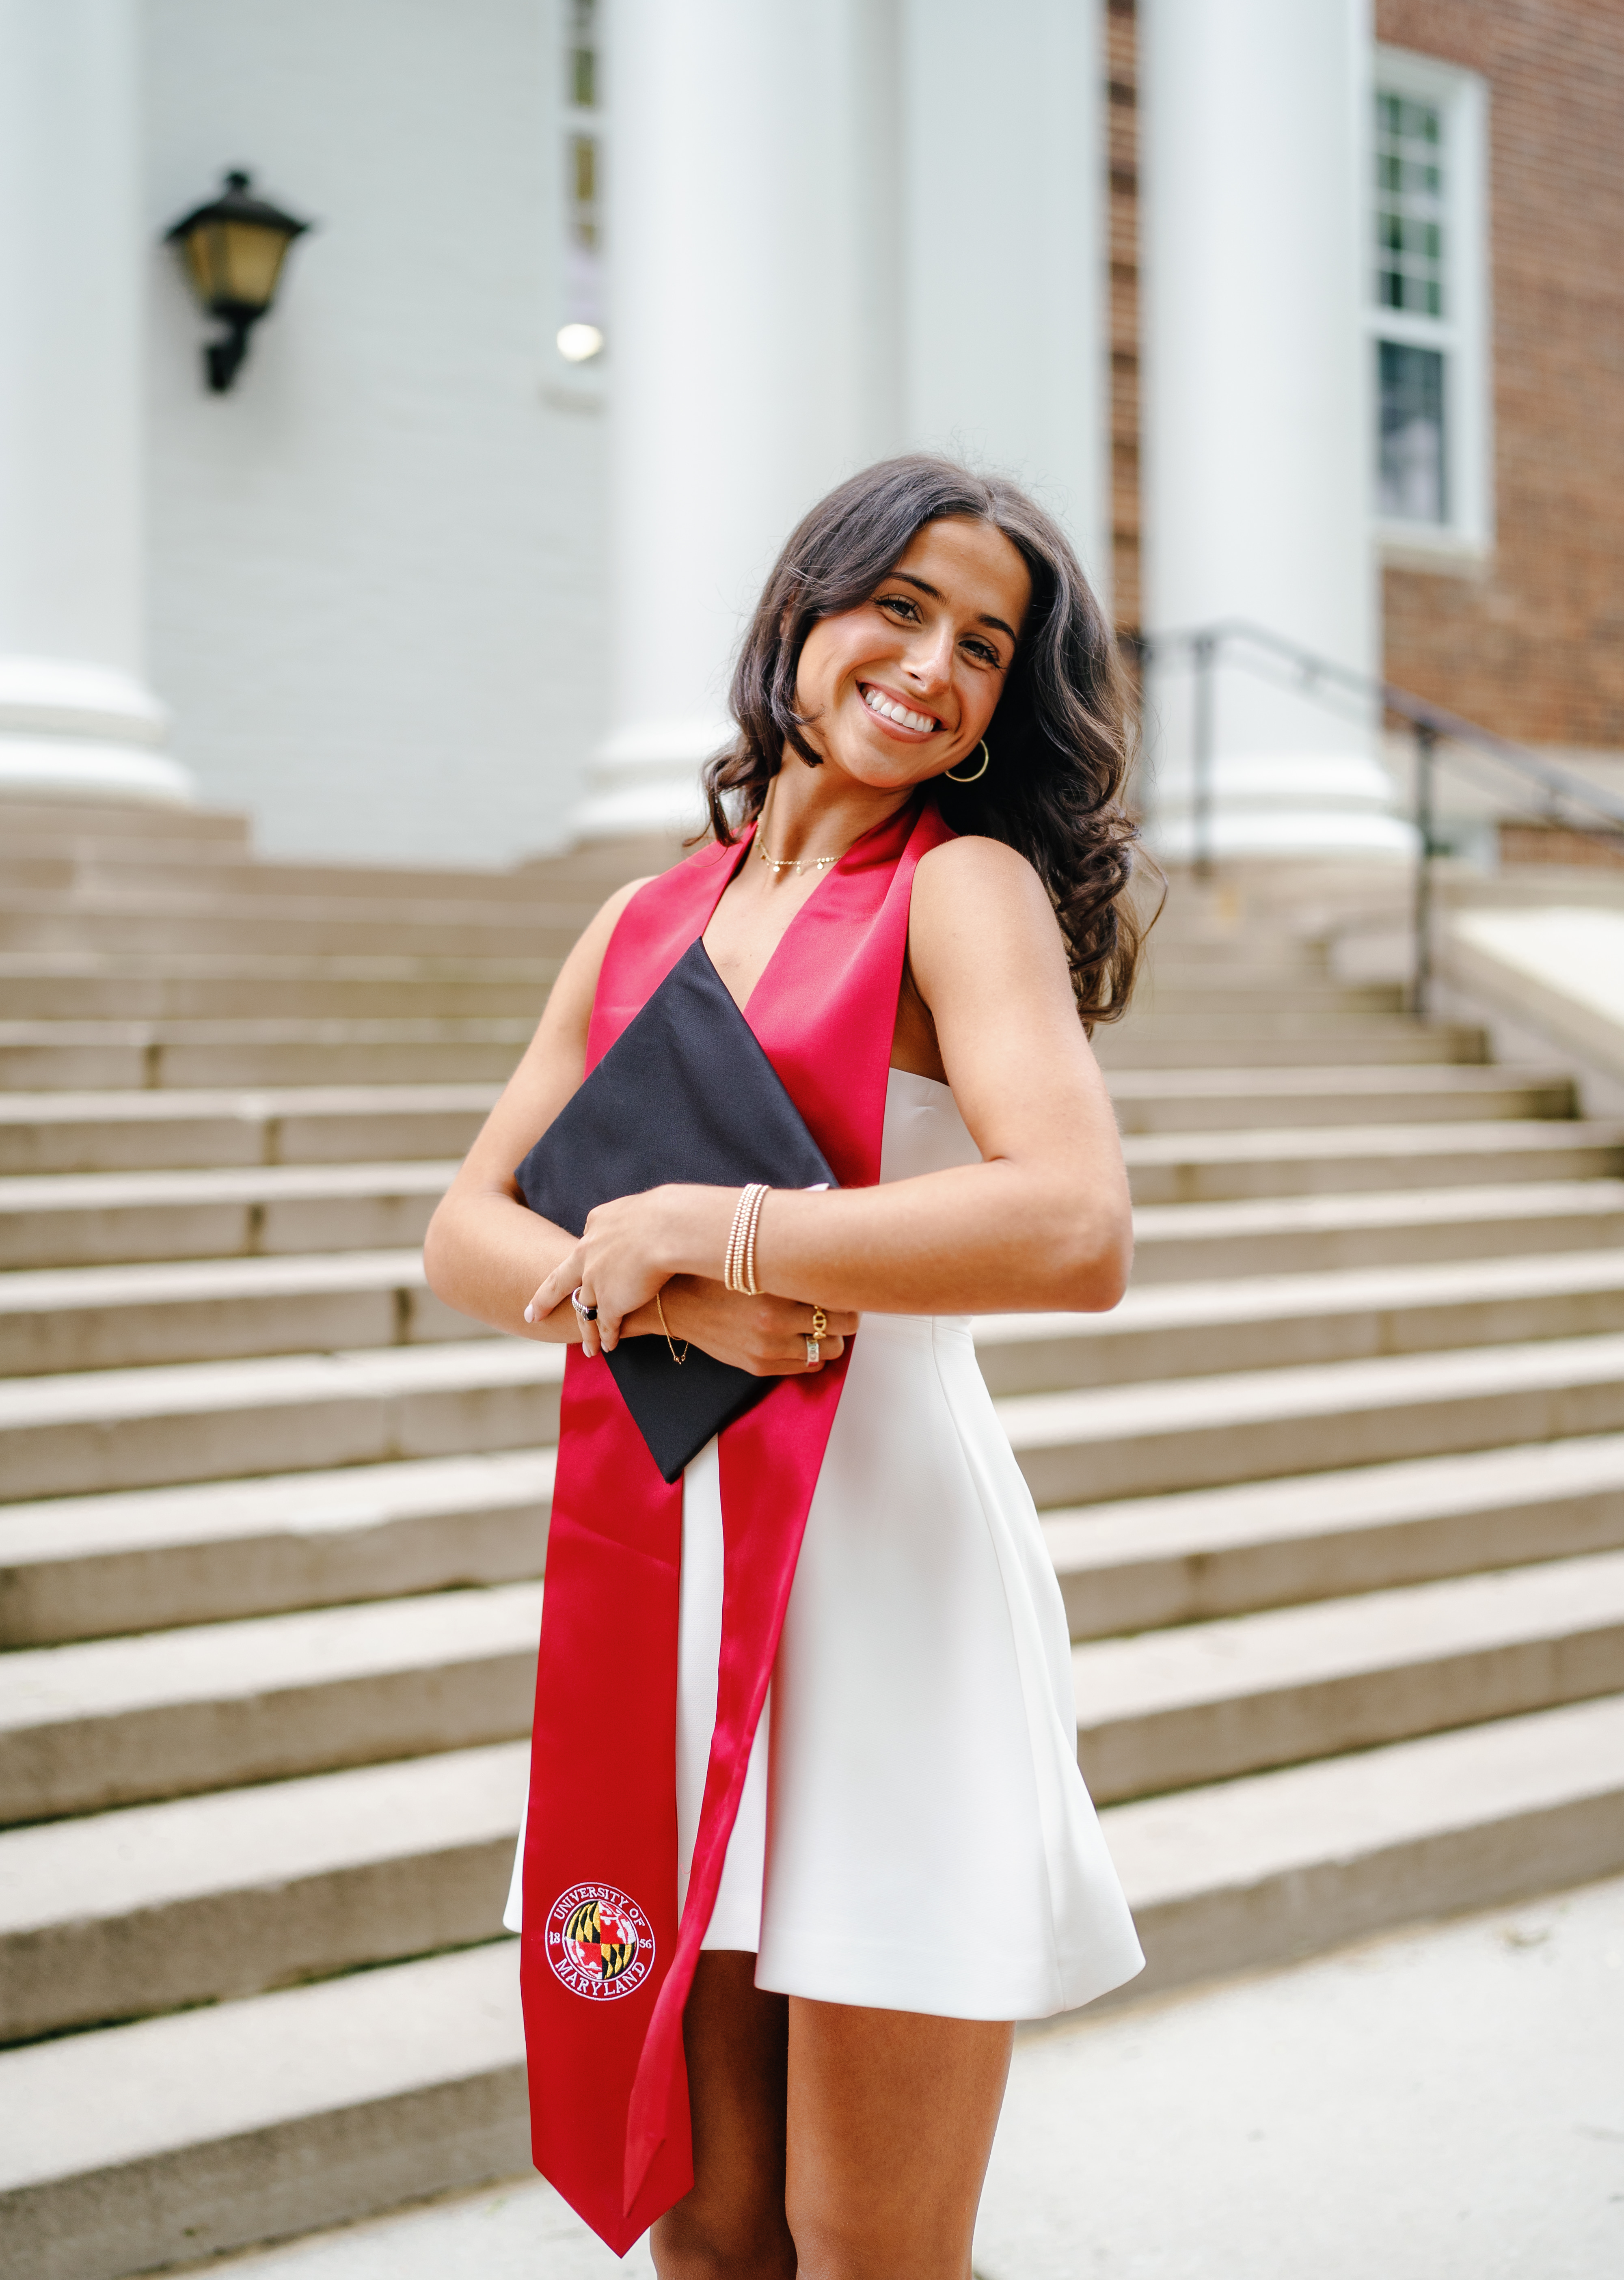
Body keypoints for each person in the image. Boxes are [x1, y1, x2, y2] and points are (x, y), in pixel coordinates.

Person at [423, 453, 1156, 2279]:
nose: (929, 664)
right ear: (802, 617)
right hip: (660, 1604)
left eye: (984, 644)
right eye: (897, 606)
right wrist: (654, 1295)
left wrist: (715, 1227)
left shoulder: (958, 890)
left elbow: (1073, 1224)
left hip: (881, 1603)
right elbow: (466, 1229)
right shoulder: (643, 919)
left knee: (867, 2247)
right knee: (712, 2227)